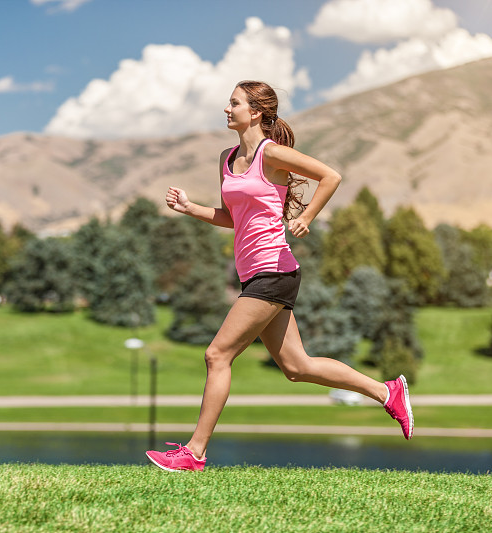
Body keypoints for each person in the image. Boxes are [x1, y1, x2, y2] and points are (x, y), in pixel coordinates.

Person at [145, 80, 413, 472]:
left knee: (217, 354)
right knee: (296, 367)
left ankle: (194, 453)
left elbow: (331, 176)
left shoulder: (272, 154)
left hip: (275, 270)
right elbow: (230, 218)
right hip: (255, 275)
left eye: (233, 103)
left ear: (254, 112)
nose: (226, 108)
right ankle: (385, 391)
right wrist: (190, 207)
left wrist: (305, 217)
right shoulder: (227, 157)